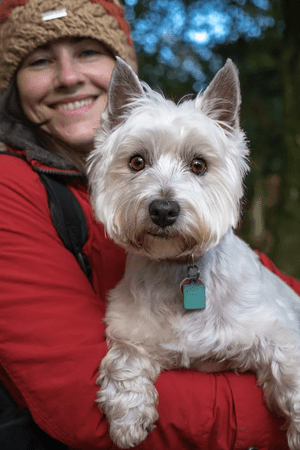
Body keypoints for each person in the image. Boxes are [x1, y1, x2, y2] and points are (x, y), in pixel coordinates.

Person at [0, 1, 298, 449]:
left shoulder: (238, 268)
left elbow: (276, 289)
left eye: (86, 52)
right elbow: (76, 401)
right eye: (40, 60)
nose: (67, 77)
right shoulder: (12, 188)